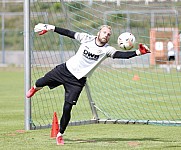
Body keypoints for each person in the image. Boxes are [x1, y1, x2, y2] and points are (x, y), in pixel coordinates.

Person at [26, 23, 150, 145]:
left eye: (108, 34)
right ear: (99, 33)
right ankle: (35, 88)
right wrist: (51, 28)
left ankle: (60, 135)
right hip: (65, 70)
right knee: (40, 82)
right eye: (104, 32)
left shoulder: (107, 50)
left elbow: (122, 55)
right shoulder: (86, 38)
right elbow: (69, 33)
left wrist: (138, 52)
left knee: (67, 108)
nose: (106, 35)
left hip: (77, 81)